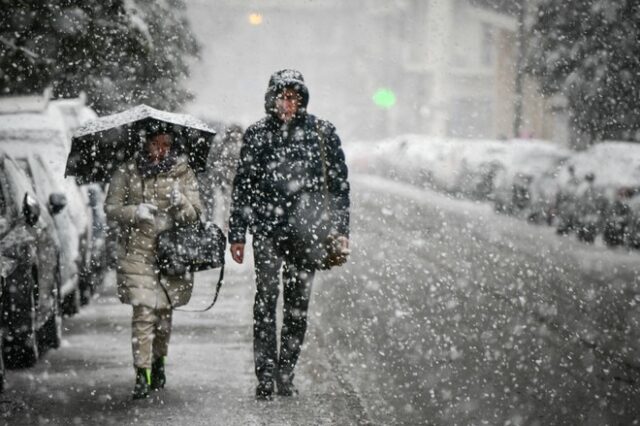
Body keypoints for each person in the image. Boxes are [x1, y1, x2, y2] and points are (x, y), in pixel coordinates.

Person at [228, 69, 350, 400]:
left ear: (303, 100)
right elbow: (244, 186)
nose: (288, 102)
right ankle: (265, 374)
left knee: (297, 306)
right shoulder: (257, 134)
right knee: (266, 301)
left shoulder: (321, 134)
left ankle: (286, 372)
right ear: (272, 98)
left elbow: (338, 188)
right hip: (267, 229)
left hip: (307, 233)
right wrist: (237, 233)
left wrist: (340, 230)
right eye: (283, 96)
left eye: (294, 96)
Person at [105, 128, 202, 399]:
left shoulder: (183, 172)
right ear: (144, 144)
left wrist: (181, 202)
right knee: (143, 312)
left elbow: (195, 214)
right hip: (136, 252)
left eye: (166, 145)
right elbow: (111, 208)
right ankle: (142, 373)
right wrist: (135, 211)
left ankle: (159, 361)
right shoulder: (127, 171)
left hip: (171, 254)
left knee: (163, 314)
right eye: (155, 144)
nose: (161, 150)